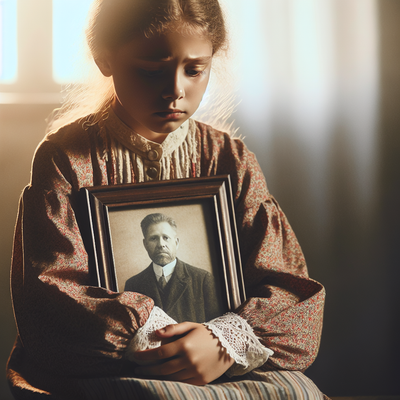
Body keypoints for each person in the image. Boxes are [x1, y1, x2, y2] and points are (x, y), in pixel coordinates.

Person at [6, 0, 327, 399]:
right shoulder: (65, 159)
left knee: (297, 394)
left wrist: (224, 341)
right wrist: (146, 336)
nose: (175, 89)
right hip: (104, 359)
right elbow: (50, 291)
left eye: (195, 69)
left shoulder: (230, 158)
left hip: (224, 365)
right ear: (105, 58)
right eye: (151, 70)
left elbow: (291, 291)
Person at [124, 213, 222, 323]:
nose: (161, 244)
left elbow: (216, 328)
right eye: (153, 238)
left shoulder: (203, 279)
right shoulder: (133, 285)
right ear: (145, 244)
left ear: (176, 242)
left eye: (166, 238)